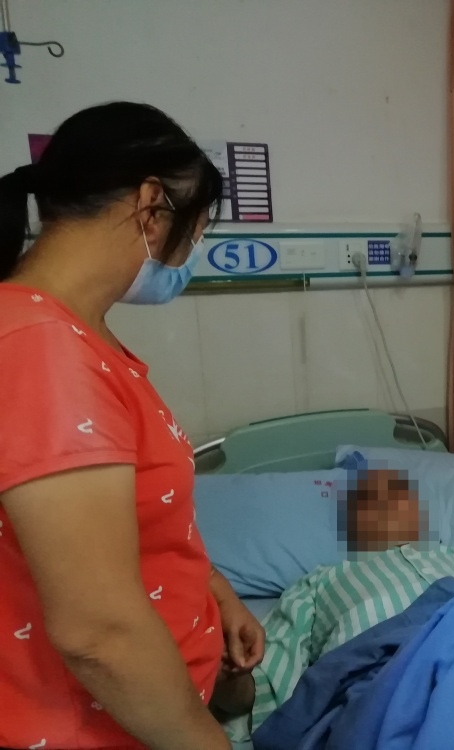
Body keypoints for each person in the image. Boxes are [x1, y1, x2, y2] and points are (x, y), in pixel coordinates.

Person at [0, 102, 263, 749]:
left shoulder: (77, 335)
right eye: (196, 231)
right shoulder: (41, 350)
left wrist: (217, 595)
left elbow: (138, 520)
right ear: (151, 206)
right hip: (100, 725)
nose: (190, 254)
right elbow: (99, 633)